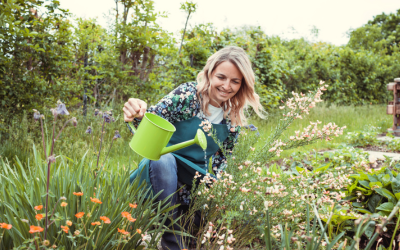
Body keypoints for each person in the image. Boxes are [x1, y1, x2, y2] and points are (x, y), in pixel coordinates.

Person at [123, 46, 265, 250]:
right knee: (164, 160)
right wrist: (136, 112)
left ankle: (187, 234)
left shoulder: (232, 115)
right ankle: (171, 241)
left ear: (242, 85)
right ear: (210, 73)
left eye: (235, 81)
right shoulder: (188, 95)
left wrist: (218, 195)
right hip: (160, 172)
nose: (226, 86)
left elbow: (222, 161)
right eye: (221, 77)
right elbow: (149, 122)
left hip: (195, 180)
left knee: (196, 234)